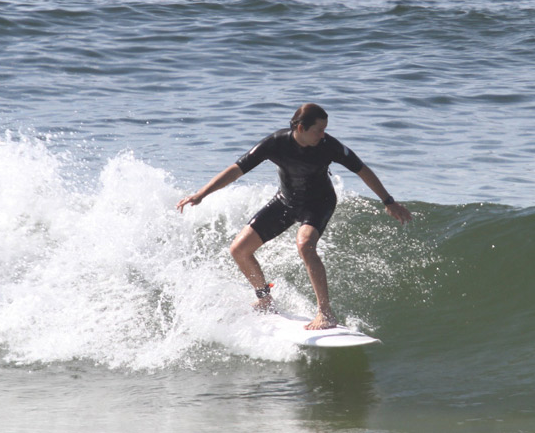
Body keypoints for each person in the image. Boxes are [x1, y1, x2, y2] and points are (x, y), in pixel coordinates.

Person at [176, 103, 412, 330]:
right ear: (301, 128)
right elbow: (237, 169)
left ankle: (325, 312)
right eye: (319, 130)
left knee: (305, 245)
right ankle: (264, 299)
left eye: (325, 129)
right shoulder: (276, 143)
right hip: (286, 201)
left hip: (319, 203)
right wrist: (201, 194)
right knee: (239, 249)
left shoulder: (329, 146)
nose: (323, 134)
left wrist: (388, 201)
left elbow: (362, 170)